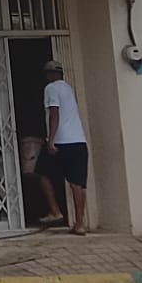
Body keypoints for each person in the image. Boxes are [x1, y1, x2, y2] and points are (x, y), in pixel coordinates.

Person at [36, 60, 91, 235]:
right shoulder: (68, 89)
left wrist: (51, 140)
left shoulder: (51, 88)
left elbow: (54, 113)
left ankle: (55, 211)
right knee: (77, 184)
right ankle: (80, 224)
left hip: (61, 141)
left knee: (42, 172)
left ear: (51, 74)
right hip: (79, 141)